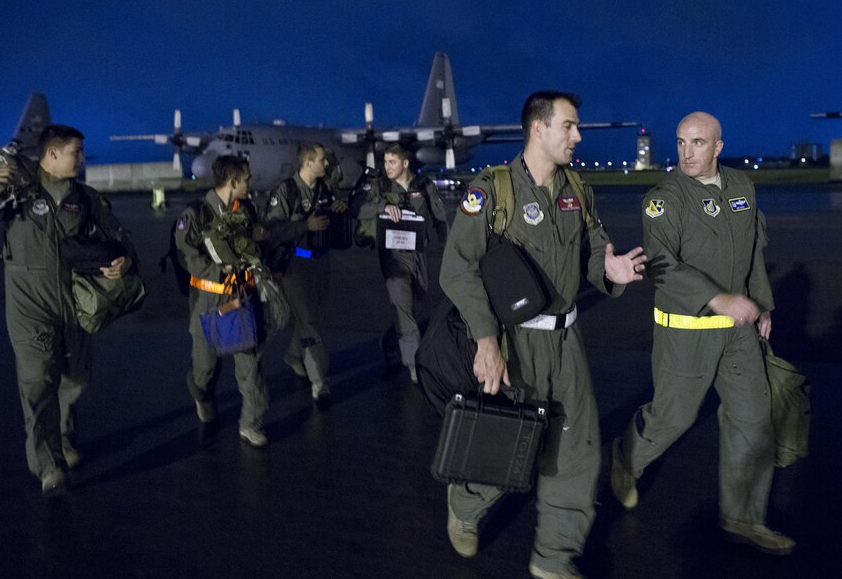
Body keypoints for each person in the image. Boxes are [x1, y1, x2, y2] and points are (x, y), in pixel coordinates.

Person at [439, 91, 647, 579]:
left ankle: (553, 560)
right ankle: (465, 505)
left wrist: (610, 270)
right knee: (507, 445)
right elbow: (457, 271)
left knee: (577, 453)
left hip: (566, 342)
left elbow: (594, 252)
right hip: (514, 343)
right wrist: (486, 341)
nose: (578, 136)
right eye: (570, 126)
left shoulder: (578, 189)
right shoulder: (490, 192)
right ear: (539, 127)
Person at [609, 112, 795, 555]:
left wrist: (761, 302)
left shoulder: (741, 188)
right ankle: (627, 457)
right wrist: (720, 299)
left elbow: (753, 252)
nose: (686, 152)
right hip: (686, 331)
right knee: (673, 418)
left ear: (718, 146)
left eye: (697, 142)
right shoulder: (664, 199)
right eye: (680, 142)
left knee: (752, 420)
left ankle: (744, 517)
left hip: (738, 333)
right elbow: (663, 265)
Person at [0, 125, 138, 494]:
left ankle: (65, 438)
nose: (83, 158)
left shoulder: (86, 199)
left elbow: (121, 240)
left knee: (76, 381)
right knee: (38, 384)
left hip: (75, 306)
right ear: (52, 154)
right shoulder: (13, 191)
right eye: (77, 152)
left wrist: (125, 263)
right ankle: (48, 465)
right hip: (29, 307)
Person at [174, 155, 271, 447]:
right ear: (233, 182)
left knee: (250, 367)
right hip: (208, 301)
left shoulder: (248, 210)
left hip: (242, 298)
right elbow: (185, 255)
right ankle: (201, 395)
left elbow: (256, 247)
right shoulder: (195, 215)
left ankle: (250, 424)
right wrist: (219, 270)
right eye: (247, 178)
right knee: (204, 370)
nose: (250, 182)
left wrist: (259, 239)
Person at [353, 143, 449, 382]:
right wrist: (383, 206)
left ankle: (390, 342)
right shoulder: (379, 185)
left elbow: (440, 219)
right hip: (393, 256)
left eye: (392, 162)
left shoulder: (424, 186)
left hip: (419, 254)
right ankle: (415, 365)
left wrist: (451, 250)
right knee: (404, 310)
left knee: (416, 308)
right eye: (385, 162)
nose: (387, 167)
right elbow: (356, 208)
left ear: (405, 163)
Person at [262, 142, 348, 404]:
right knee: (309, 321)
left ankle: (292, 356)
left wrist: (338, 209)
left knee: (312, 318)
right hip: (295, 265)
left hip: (321, 262)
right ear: (308, 162)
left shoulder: (325, 189)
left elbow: (333, 213)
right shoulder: (285, 191)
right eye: (322, 160)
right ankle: (320, 382)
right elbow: (272, 230)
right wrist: (304, 226)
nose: (326, 164)